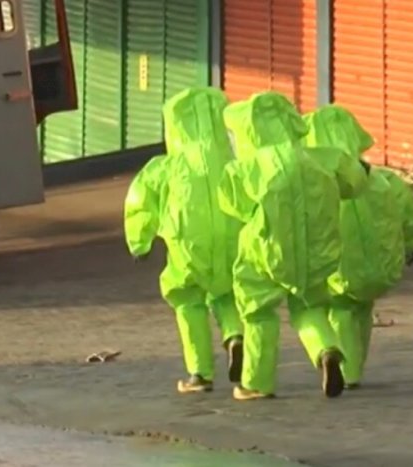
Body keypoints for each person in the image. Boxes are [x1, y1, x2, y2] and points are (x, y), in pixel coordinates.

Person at [218, 91, 368, 400]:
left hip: (266, 250)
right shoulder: (323, 157)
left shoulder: (247, 167)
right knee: (310, 307)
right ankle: (327, 348)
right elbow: (355, 183)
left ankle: (256, 382)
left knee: (258, 312)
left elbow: (235, 205)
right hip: (317, 250)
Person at [123, 87, 245, 394]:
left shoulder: (166, 167)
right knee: (226, 292)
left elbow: (141, 201)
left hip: (187, 242)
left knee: (188, 299)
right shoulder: (234, 162)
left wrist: (140, 242)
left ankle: (199, 373)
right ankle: (234, 335)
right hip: (232, 238)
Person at [302, 104, 413, 388]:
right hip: (378, 266)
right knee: (363, 310)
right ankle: (355, 366)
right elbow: (409, 216)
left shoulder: (317, 182)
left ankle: (345, 370)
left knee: (340, 309)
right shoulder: (384, 179)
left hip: (337, 266)